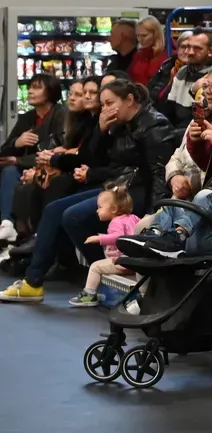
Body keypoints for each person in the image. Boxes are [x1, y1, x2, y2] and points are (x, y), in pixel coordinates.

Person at [3, 77, 174, 302]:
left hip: (138, 191)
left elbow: (159, 172)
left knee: (73, 216)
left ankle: (108, 268)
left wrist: (155, 212)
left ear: (130, 100)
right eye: (103, 104)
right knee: (54, 209)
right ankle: (33, 282)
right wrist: (101, 130)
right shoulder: (117, 124)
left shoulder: (154, 124)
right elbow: (91, 159)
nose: (105, 109)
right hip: (115, 185)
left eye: (110, 103)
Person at [0, 73, 64, 244]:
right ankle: (6, 223)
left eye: (36, 88)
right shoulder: (28, 117)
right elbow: (4, 151)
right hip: (24, 166)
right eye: (29, 88)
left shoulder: (60, 115)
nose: (30, 92)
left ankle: (19, 229)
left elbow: (55, 151)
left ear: (50, 91)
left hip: (50, 166)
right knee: (9, 170)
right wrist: (17, 142)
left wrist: (19, 161)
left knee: (12, 170)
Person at [69, 182, 141, 307]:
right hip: (136, 261)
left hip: (123, 261)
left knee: (95, 267)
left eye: (100, 207)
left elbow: (118, 237)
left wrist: (99, 238)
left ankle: (89, 294)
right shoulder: (134, 217)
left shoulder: (116, 222)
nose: (97, 211)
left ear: (113, 209)